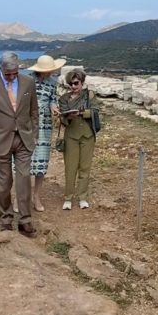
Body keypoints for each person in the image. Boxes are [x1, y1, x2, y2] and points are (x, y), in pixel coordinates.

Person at [0, 51, 39, 238]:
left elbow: (34, 111)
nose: (11, 77)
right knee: (3, 184)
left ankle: (25, 219)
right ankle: (6, 216)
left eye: (15, 73)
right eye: (8, 73)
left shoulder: (28, 82)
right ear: (0, 68)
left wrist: (34, 134)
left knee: (24, 178)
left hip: (24, 139)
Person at [26, 54, 65, 212]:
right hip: (28, 124)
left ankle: (36, 197)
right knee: (24, 162)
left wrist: (53, 107)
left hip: (45, 126)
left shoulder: (53, 83)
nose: (51, 72)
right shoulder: (27, 81)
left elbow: (52, 100)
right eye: (48, 70)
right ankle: (21, 197)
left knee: (41, 162)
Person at [58, 68, 98, 210]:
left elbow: (95, 111)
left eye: (76, 83)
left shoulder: (90, 96)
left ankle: (82, 197)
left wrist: (82, 112)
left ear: (82, 82)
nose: (73, 87)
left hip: (87, 135)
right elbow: (62, 118)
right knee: (70, 167)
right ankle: (68, 197)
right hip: (71, 136)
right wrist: (68, 116)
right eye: (71, 84)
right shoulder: (63, 99)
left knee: (85, 168)